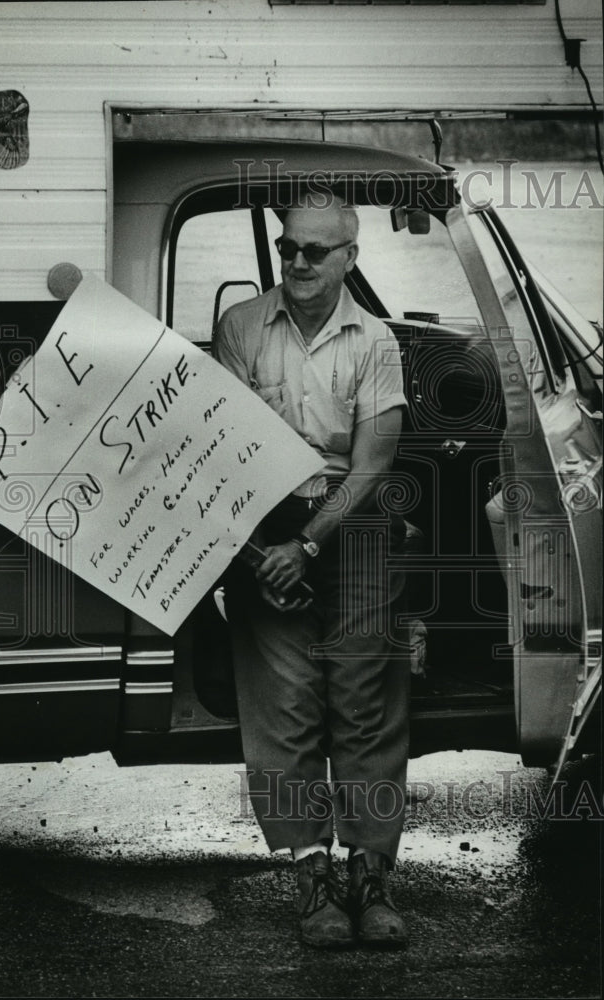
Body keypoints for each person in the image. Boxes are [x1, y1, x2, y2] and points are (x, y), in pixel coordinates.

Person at [214, 194, 410, 949]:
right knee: (284, 702)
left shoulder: (376, 341)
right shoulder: (240, 329)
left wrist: (313, 545)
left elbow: (371, 467)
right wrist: (257, 552)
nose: (296, 262)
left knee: (362, 695)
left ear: (349, 258)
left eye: (314, 252)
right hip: (263, 516)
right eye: (288, 248)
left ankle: (371, 871)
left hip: (347, 523)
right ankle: (313, 876)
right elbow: (218, 447)